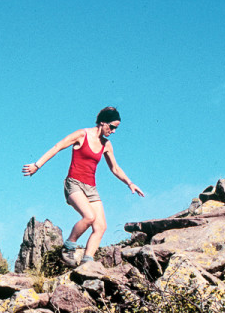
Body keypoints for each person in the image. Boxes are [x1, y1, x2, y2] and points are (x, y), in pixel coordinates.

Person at [21, 107, 144, 266]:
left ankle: (87, 262)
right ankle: (68, 247)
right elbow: (58, 146)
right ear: (102, 122)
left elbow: (115, 168)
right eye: (112, 127)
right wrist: (37, 165)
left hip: (91, 188)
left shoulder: (106, 144)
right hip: (74, 184)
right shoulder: (82, 134)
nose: (113, 131)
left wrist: (130, 183)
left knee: (101, 227)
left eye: (116, 128)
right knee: (89, 216)